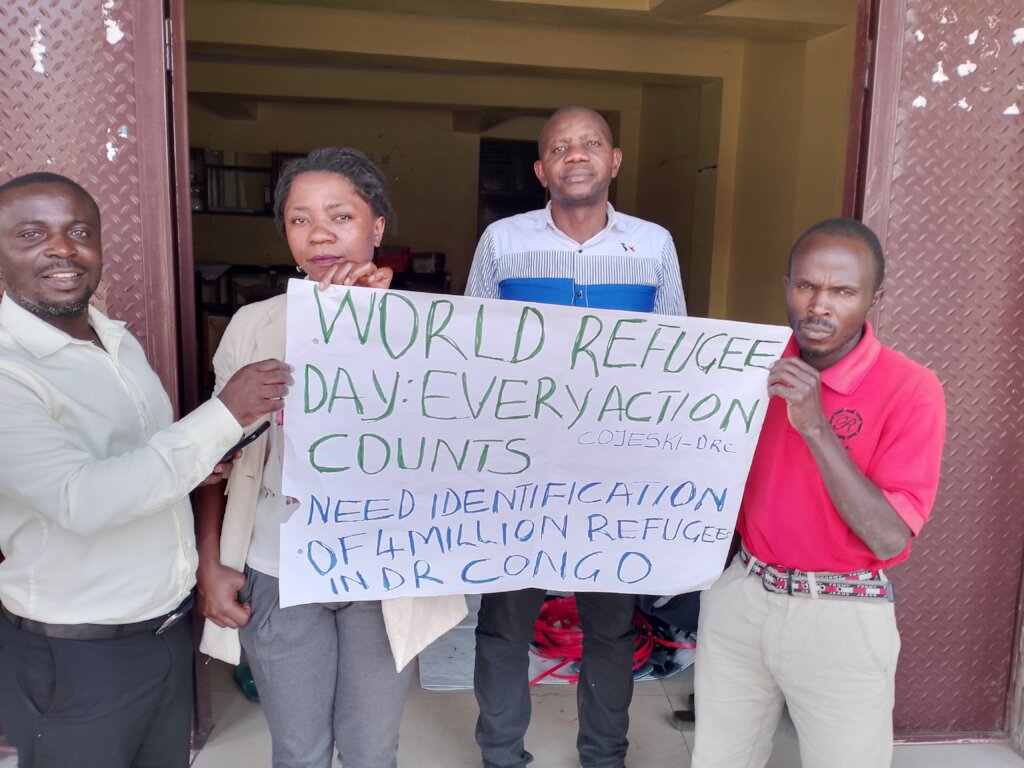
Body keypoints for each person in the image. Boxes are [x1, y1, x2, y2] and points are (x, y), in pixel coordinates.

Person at [0, 172, 291, 767]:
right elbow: (81, 499)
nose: (61, 248)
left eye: (79, 232)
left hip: (161, 635)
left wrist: (199, 468)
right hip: (75, 655)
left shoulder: (114, 339)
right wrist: (222, 416)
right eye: (32, 234)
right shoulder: (8, 369)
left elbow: (142, 459)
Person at [195, 147, 467, 768]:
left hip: (383, 569)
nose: (319, 233)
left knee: (373, 750)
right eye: (299, 219)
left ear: (375, 228)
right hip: (278, 565)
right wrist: (211, 563)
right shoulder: (252, 325)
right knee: (299, 749)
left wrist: (366, 326)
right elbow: (216, 457)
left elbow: (457, 449)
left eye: (340, 216)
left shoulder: (429, 329)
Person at [465, 105, 686, 768]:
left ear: (614, 160)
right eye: (561, 148)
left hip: (613, 468)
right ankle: (502, 755)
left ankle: (605, 756)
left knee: (611, 625)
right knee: (504, 624)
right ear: (541, 169)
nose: (577, 155)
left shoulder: (652, 245)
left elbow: (677, 353)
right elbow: (471, 347)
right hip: (520, 465)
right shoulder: (503, 242)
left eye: (591, 143)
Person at [691, 218, 946, 768]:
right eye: (806, 285)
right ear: (786, 284)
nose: (818, 306)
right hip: (743, 595)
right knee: (718, 758)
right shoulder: (747, 366)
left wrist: (815, 425)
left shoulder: (912, 388)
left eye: (842, 291)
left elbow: (887, 536)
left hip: (841, 614)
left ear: (874, 299)